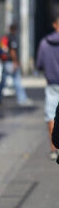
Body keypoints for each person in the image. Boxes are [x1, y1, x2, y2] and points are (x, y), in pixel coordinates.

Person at [35, 13, 59, 160]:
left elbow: (39, 64)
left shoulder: (44, 43)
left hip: (51, 84)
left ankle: (53, 148)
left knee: (51, 115)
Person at [0, 24, 32, 106]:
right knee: (17, 80)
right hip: (11, 63)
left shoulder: (6, 37)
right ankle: (22, 99)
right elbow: (12, 51)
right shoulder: (12, 38)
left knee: (3, 81)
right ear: (15, 30)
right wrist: (16, 62)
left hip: (5, 63)